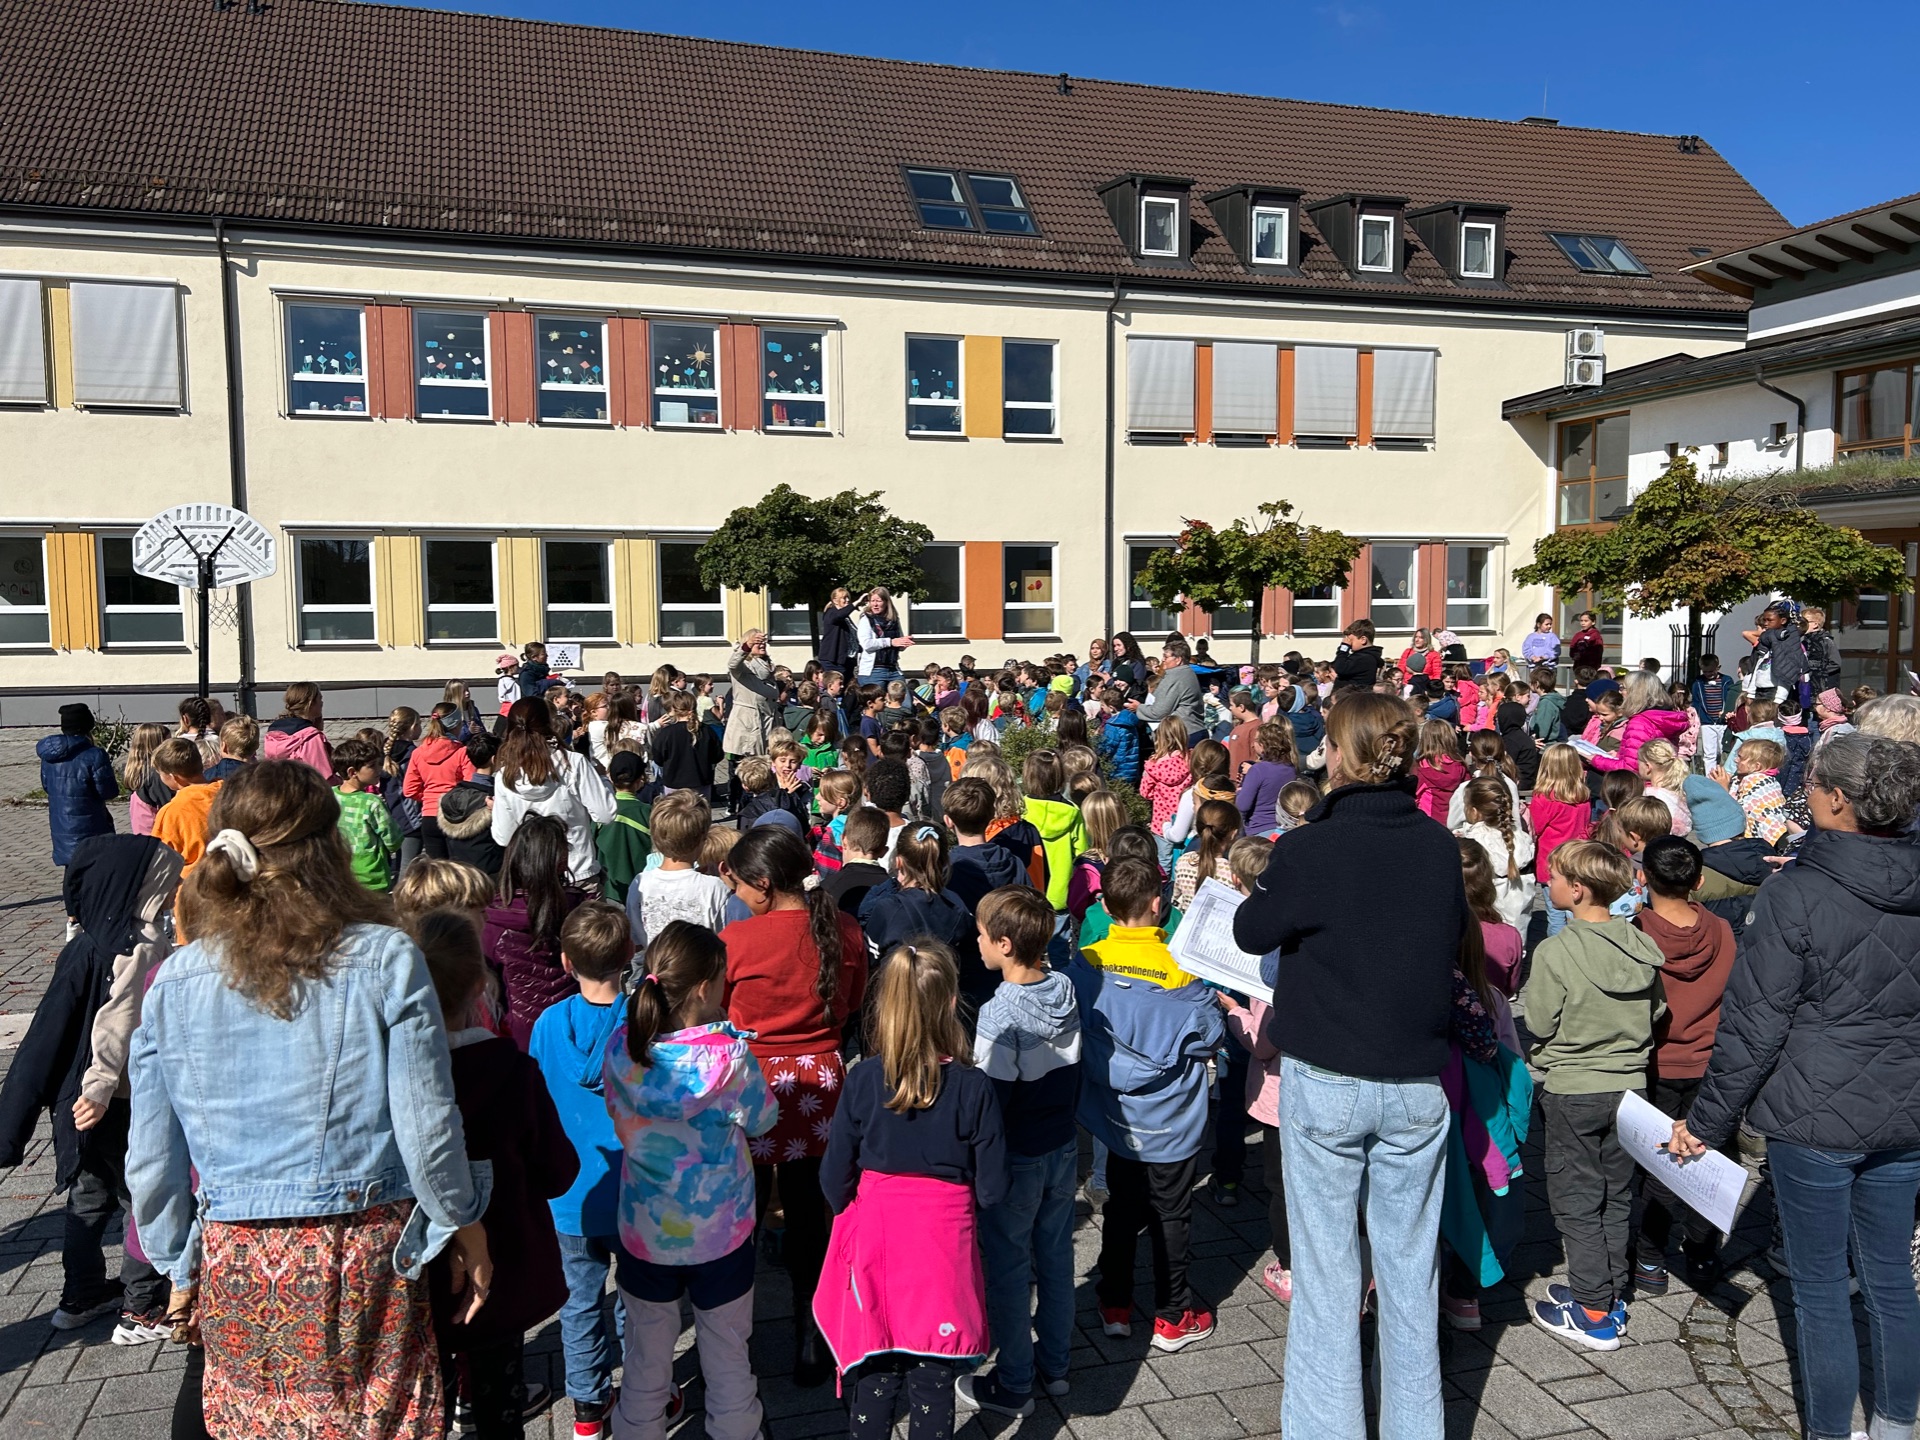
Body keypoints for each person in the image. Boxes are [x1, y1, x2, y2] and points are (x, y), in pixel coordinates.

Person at [126, 761, 492, 1439]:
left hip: (235, 1255)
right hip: (361, 1249)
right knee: (372, 1422)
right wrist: (461, 1221)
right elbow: (427, 1120)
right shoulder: (386, 956)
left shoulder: (175, 979)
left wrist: (179, 1260)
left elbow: (151, 1152)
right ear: (331, 848)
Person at [1670, 733, 1920, 1440]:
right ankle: (1897, 1426)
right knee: (1891, 1279)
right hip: (1904, 1108)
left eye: (1810, 785)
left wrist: (1706, 1124)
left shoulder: (1795, 892)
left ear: (1839, 799)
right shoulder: (1804, 885)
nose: (1801, 794)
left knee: (1817, 1291)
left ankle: (1835, 1434)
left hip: (1816, 1116)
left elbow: (1753, 1027)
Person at [1232, 691, 1459, 1439]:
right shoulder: (1435, 844)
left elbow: (1249, 926)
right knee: (1409, 1275)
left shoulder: (1312, 846)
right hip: (1415, 1082)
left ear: (1343, 754)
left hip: (1328, 1077)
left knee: (1329, 1282)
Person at [815, 941, 1006, 1439]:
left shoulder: (861, 1081)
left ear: (887, 1004)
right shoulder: (973, 1086)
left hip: (878, 1234)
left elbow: (834, 1176)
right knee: (934, 1374)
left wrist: (853, 1210)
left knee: (876, 1364)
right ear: (949, 1004)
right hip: (943, 1244)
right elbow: (991, 1187)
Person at [0, 835, 181, 1342]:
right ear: (138, 886)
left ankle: (80, 1295)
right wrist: (101, 1086)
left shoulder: (89, 940)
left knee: (88, 1196)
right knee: (142, 1196)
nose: (175, 886)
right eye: (165, 879)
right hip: (120, 1097)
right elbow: (117, 1023)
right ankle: (142, 1308)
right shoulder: (137, 946)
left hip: (76, 1100)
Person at [606, 921, 778, 1440]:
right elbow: (764, 1119)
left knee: (645, 1353)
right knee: (726, 1349)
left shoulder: (623, 1049)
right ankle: (735, 1430)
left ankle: (638, 1429)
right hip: (720, 1231)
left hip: (644, 1228)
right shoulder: (729, 1061)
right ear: (705, 988)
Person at [411, 909, 575, 1435]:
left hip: (418, 1270)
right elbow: (556, 1172)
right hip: (501, 1263)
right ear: (480, 983)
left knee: (424, 1399)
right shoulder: (511, 1071)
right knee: (499, 1394)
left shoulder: (387, 1074)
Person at [719, 826, 869, 1387]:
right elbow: (851, 1008)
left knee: (742, 1216)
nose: (733, 892)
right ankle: (811, 1340)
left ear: (762, 882)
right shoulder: (845, 930)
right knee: (811, 1212)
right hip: (821, 1085)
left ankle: (730, 1344)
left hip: (751, 1087)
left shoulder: (737, 942)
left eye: (737, 882)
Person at [1070, 856, 1222, 1351]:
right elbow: (1210, 1035)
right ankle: (1172, 1315)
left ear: (1107, 908)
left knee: (1121, 1208)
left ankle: (1114, 1304)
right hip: (1172, 1122)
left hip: (1117, 1119)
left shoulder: (1087, 963)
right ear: (1158, 906)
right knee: (1172, 1214)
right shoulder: (1181, 968)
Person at [1523, 840, 1666, 1352]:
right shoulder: (1640, 945)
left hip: (1573, 1089)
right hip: (1631, 1088)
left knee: (1576, 1201)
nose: (1549, 882)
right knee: (1616, 1195)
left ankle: (1592, 1311)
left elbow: (1538, 1021)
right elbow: (1655, 1014)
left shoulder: (1556, 950)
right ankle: (1605, 1288)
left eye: (1555, 876)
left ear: (1577, 889)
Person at [956, 887, 1081, 1418]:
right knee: (1055, 1257)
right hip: (1063, 1145)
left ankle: (1013, 1383)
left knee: (1008, 1269)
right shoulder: (1067, 988)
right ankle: (1055, 1367)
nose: (976, 942)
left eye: (982, 935)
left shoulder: (998, 1013)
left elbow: (991, 1100)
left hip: (1019, 1156)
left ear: (1004, 944)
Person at [528, 903, 633, 1439]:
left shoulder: (547, 1026)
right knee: (638, 1299)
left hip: (570, 1193)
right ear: (631, 955)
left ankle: (588, 1410)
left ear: (566, 962)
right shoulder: (643, 1023)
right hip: (635, 1189)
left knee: (579, 1302)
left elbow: (541, 1099)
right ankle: (644, 1390)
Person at [1628, 837, 1735, 1295]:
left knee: (1659, 1162)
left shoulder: (1634, 934)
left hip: (1655, 1063)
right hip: (1711, 1065)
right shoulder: (1724, 932)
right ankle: (1703, 1252)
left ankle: (1650, 1259)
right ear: (1700, 881)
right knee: (1708, 1158)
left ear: (1642, 878)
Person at [490, 697, 618, 888]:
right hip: (577, 871)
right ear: (549, 724)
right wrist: (604, 783)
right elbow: (606, 813)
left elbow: (504, 836)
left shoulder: (505, 775)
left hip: (532, 875)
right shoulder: (573, 763)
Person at [485, 814, 585, 1049]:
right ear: (561, 861)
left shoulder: (491, 922)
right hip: (575, 1029)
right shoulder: (580, 910)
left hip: (519, 1038)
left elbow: (489, 995)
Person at [39, 703, 118, 872]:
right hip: (91, 824)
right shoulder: (95, 754)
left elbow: (46, 786)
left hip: (61, 825)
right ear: (88, 726)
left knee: (71, 872)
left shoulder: (49, 757)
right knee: (96, 871)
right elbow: (108, 791)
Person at [1457, 777, 1535, 932]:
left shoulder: (1476, 842)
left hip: (1487, 929)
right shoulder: (1522, 839)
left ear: (1473, 811)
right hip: (1518, 927)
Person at [334, 736, 401, 892]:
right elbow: (393, 840)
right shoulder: (372, 802)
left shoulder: (329, 795)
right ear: (352, 772)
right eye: (372, 766)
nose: (379, 769)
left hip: (339, 873)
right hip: (372, 877)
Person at [149, 737, 223, 875]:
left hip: (193, 885)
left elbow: (159, 858)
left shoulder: (172, 812)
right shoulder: (227, 791)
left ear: (174, 777)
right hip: (232, 878)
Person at [440, 733, 505, 876]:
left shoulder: (453, 795)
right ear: (495, 759)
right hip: (490, 871)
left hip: (460, 871)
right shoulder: (495, 798)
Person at [1236, 722, 1299, 835]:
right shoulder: (1290, 769)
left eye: (1256, 740)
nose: (1252, 745)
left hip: (1259, 829)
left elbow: (1242, 805)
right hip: (1284, 828)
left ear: (1263, 744)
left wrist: (1240, 792)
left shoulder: (1257, 770)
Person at [260, 681, 333, 776]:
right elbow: (323, 776)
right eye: (320, 698)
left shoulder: (273, 732)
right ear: (311, 703)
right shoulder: (311, 737)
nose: (322, 703)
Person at [1135, 636, 1205, 731]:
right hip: (1194, 728)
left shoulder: (1174, 675)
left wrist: (1138, 708)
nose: (1163, 660)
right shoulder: (1188, 672)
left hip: (1183, 733)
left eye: (1166, 657)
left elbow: (1159, 712)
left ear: (1178, 660)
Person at [853, 586, 915, 684]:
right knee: (877, 699)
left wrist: (904, 643)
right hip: (873, 670)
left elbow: (897, 644)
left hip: (893, 669)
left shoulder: (894, 620)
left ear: (886, 602)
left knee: (906, 699)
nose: (875, 604)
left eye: (879, 601)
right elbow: (866, 644)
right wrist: (890, 642)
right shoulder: (866, 619)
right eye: (872, 601)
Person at [818, 585, 859, 679]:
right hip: (833, 661)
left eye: (848, 597)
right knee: (835, 687)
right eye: (844, 598)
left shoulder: (845, 618)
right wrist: (857, 602)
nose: (848, 600)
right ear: (835, 600)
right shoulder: (831, 613)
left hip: (847, 660)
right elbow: (839, 615)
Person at [1330, 618, 1382, 691]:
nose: (1349, 644)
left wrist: (1344, 648)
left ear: (1363, 640)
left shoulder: (1364, 658)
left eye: (1351, 640)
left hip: (1354, 698)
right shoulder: (1362, 656)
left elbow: (1340, 668)